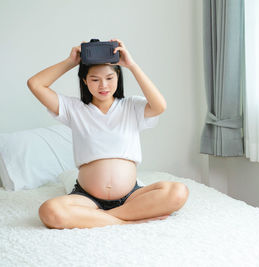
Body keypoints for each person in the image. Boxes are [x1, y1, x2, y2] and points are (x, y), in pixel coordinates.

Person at [27, 39, 189, 229]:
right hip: (87, 198)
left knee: (178, 191)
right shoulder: (74, 109)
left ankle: (98, 218)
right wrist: (71, 61)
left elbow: (160, 106)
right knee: (49, 211)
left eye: (109, 78)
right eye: (95, 79)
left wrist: (132, 65)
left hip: (131, 196)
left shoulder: (131, 106)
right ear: (85, 81)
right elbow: (35, 84)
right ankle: (125, 219)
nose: (103, 85)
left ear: (118, 78)